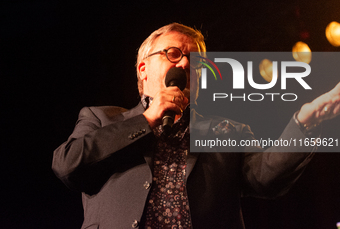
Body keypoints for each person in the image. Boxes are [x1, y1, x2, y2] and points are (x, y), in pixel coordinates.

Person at [52, 23, 340, 229]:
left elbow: (264, 179)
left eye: (197, 62)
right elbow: (68, 165)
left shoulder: (226, 130)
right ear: (143, 69)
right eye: (174, 54)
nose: (186, 65)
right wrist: (148, 119)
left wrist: (305, 122)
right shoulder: (101, 118)